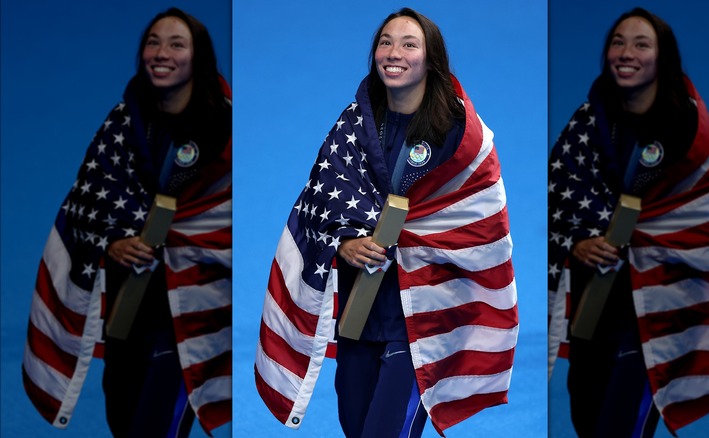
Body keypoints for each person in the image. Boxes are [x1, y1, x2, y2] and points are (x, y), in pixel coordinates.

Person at [255, 7, 518, 438]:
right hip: (360, 316)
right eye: (385, 42)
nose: (393, 53)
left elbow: (478, 221)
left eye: (409, 44)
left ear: (431, 60)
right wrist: (345, 243)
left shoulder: (459, 134)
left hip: (420, 323)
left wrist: (410, 238)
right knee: (355, 427)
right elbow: (320, 199)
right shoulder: (354, 123)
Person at [22, 8, 232, 437]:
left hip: (190, 313)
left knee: (154, 428)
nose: (161, 52)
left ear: (199, 58)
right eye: (153, 42)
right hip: (127, 306)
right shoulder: (122, 122)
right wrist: (111, 243)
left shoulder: (226, 126)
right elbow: (85, 204)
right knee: (122, 421)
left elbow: (228, 212)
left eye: (176, 44)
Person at [547, 7, 709, 438]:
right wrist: (578, 244)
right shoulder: (587, 122)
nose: (626, 52)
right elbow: (558, 202)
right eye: (618, 42)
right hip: (593, 304)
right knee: (587, 419)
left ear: (663, 57)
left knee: (619, 428)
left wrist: (644, 239)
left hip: (654, 308)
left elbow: (708, 215)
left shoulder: (690, 131)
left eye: (641, 44)